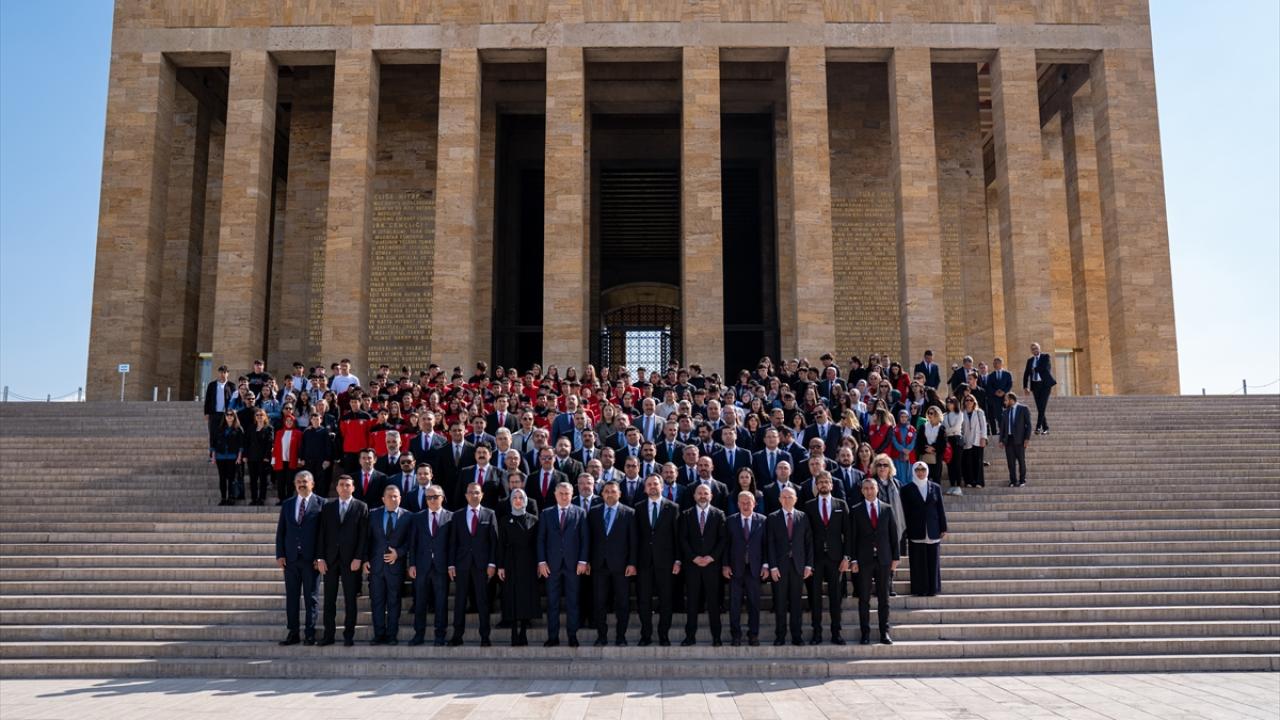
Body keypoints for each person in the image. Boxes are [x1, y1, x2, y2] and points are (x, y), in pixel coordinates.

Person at [315, 474, 368, 647]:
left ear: (353, 488)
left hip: (351, 561)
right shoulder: (328, 506)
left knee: (350, 600)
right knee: (329, 600)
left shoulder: (361, 506)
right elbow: (321, 533)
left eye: (348, 485)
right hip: (330, 560)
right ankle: (328, 635)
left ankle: (348, 635)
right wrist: (320, 557)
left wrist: (359, 558)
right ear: (337, 488)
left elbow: (363, 536)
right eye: (341, 485)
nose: (344, 488)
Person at [537, 482, 589, 647]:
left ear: (572, 494)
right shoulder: (546, 513)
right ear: (555, 494)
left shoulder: (580, 513)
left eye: (567, 493)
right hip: (551, 566)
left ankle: (572, 636)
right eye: (561, 493)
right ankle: (553, 637)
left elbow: (585, 539)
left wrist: (582, 561)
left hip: (573, 565)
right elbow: (540, 539)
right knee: (552, 603)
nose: (564, 496)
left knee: (573, 602)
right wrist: (542, 562)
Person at [447, 482, 499, 646]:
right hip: (462, 564)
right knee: (460, 600)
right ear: (466, 495)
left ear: (481, 495)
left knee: (483, 601)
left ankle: (485, 636)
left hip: (482, 564)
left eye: (477, 492)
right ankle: (457, 635)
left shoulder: (490, 514)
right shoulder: (458, 515)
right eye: (470, 492)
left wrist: (492, 563)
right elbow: (453, 542)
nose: (474, 495)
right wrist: (451, 565)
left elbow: (494, 542)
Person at [274, 470, 322, 646]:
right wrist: (280, 554)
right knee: (292, 597)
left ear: (312, 484)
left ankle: (310, 633)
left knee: (312, 598)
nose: (302, 484)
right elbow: (281, 532)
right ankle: (293, 632)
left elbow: (323, 535)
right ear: (295, 484)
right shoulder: (288, 504)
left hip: (311, 561)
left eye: (305, 481)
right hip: (291, 559)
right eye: (299, 482)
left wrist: (320, 557)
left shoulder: (321, 504)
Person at [587, 480, 637, 646]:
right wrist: (586, 561)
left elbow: (633, 541)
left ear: (619, 494)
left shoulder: (629, 513)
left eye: (613, 491)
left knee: (622, 603)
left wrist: (632, 563)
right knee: (599, 602)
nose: (609, 494)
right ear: (602, 494)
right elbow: (589, 539)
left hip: (622, 566)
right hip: (599, 565)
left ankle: (620, 636)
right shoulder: (593, 512)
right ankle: (601, 636)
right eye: (606, 491)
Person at [851, 476, 900, 645]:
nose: (869, 491)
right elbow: (852, 538)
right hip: (864, 560)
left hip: (884, 559)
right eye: (865, 488)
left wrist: (896, 558)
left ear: (877, 489)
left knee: (884, 598)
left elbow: (894, 535)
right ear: (862, 491)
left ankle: (884, 632)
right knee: (864, 598)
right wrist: (853, 560)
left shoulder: (887, 509)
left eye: (872, 488)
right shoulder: (856, 510)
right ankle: (865, 633)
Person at [804, 472, 852, 645]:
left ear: (832, 485)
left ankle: (836, 633)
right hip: (816, 559)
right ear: (816, 485)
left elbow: (848, 533)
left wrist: (847, 557)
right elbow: (806, 536)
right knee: (815, 598)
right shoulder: (808, 506)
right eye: (821, 482)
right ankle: (816, 633)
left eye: (827, 482)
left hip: (836, 558)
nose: (824, 484)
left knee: (835, 596)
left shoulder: (841, 504)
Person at [634, 475, 681, 647]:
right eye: (649, 484)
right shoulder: (638, 508)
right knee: (644, 600)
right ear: (645, 488)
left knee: (666, 600)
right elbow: (635, 538)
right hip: (644, 562)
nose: (653, 487)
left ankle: (663, 635)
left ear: (662, 486)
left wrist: (678, 560)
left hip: (666, 562)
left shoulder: (673, 507)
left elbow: (677, 537)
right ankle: (646, 635)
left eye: (656, 484)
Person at [679, 483, 726, 646]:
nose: (702, 496)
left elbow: (722, 540)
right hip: (692, 566)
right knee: (692, 602)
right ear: (694, 496)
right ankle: (690, 636)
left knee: (713, 603)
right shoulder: (686, 515)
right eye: (699, 493)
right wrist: (694, 557)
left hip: (712, 566)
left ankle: (717, 637)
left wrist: (711, 557)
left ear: (711, 496)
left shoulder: (719, 514)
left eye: (706, 493)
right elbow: (683, 539)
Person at [765, 485, 813, 647]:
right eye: (784, 497)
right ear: (779, 500)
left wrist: (808, 565)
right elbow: (769, 544)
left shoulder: (803, 517)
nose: (787, 500)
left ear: (796, 500)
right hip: (779, 567)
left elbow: (808, 543)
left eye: (790, 497)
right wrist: (772, 566)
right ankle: (780, 636)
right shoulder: (772, 518)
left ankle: (796, 636)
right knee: (779, 603)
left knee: (796, 603)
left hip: (798, 567)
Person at [365, 484, 411, 645]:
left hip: (396, 568)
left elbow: (411, 542)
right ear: (383, 499)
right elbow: (367, 539)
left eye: (395, 496)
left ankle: (392, 635)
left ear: (400, 498)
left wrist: (399, 553)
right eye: (389, 496)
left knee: (394, 602)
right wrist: (365, 559)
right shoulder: (373, 515)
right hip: (376, 567)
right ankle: (379, 635)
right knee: (377, 602)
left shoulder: (408, 516)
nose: (392, 499)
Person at [407, 485, 451, 646]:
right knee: (420, 602)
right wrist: (411, 564)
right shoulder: (417, 517)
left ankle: (440, 635)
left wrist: (451, 565)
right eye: (428, 497)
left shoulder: (450, 517)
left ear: (442, 497)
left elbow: (452, 545)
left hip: (441, 566)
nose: (432, 500)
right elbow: (413, 543)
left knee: (441, 602)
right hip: (421, 566)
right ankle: (419, 634)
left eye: (435, 496)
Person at [723, 490, 767, 647]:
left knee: (754, 604)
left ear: (754, 504)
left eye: (749, 502)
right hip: (735, 569)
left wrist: (766, 565)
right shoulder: (730, 521)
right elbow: (726, 545)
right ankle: (736, 635)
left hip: (755, 569)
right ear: (738, 504)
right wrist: (725, 565)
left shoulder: (763, 520)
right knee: (734, 604)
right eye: (743, 502)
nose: (746, 505)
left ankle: (753, 635)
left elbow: (766, 546)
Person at [497, 488, 540, 646]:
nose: (517, 500)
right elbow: (500, 544)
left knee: (525, 596)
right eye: (514, 497)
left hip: (528, 562)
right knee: (511, 595)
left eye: (521, 497)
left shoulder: (534, 519)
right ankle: (514, 630)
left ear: (526, 500)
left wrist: (538, 563)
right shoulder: (503, 520)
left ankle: (523, 630)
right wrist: (500, 566)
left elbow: (537, 544)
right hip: (510, 562)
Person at [900, 461, 948, 597]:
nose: (920, 472)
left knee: (933, 560)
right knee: (917, 562)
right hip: (916, 529)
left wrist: (943, 526)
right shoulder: (906, 489)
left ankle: (933, 588)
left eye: (923, 469)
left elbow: (940, 508)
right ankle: (919, 589)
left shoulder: (935, 487)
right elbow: (905, 511)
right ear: (913, 472)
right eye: (917, 470)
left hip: (933, 529)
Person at [299, 412, 335, 498]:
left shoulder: (325, 431)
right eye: (313, 419)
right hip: (309, 461)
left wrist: (327, 459)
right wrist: (301, 458)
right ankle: (309, 497)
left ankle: (321, 498)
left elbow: (328, 446)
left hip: (321, 461)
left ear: (321, 420)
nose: (315, 421)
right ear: (311, 420)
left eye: (317, 419)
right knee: (309, 479)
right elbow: (302, 446)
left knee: (321, 481)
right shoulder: (306, 432)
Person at [212, 409, 244, 506]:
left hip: (232, 457)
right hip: (220, 457)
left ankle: (231, 497)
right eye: (227, 415)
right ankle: (223, 498)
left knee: (231, 478)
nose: (229, 416)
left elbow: (241, 445)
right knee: (222, 478)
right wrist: (213, 456)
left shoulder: (239, 429)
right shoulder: (220, 428)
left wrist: (239, 457)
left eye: (231, 415)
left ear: (234, 417)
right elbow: (214, 443)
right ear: (225, 416)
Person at [1023, 342, 1056, 435]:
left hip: (1045, 385)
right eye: (1033, 349)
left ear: (1039, 348)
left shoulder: (1045, 357)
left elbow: (1045, 368)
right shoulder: (1030, 361)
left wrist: (1034, 369)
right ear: (1031, 351)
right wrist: (1025, 387)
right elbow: (1026, 374)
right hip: (1035, 385)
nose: (1035, 350)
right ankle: (1046, 428)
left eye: (1036, 348)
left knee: (1042, 406)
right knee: (1040, 407)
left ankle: (1038, 427)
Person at [1000, 392, 1032, 486]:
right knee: (1010, 462)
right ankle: (1013, 481)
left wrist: (1027, 438)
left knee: (1021, 461)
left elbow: (1028, 425)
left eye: (1006, 400)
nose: (1004, 402)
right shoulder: (1005, 411)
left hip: (1020, 439)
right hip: (1008, 440)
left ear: (1011, 399)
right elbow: (1003, 427)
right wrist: (1001, 440)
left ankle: (1022, 480)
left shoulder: (1023, 409)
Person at [245, 409, 275, 506]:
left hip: (263, 458)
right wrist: (245, 455)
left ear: (265, 416)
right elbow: (247, 443)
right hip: (252, 457)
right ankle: (254, 499)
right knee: (253, 479)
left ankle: (261, 498)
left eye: (261, 415)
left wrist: (267, 456)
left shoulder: (269, 428)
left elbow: (270, 443)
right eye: (257, 415)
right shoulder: (250, 428)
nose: (259, 416)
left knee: (263, 479)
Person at [204, 365, 234, 451]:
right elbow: (207, 399)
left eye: (224, 372)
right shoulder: (212, 385)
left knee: (226, 433)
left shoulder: (231, 385)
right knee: (213, 433)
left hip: (227, 414)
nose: (222, 374)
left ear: (228, 373)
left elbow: (234, 400)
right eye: (221, 372)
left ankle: (224, 451)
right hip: (214, 413)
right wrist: (206, 413)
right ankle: (212, 453)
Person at [960, 394, 987, 488]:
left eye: (970, 400)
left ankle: (979, 482)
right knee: (968, 462)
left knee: (978, 461)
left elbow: (983, 426)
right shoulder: (962, 413)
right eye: (966, 400)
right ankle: (969, 481)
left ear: (974, 402)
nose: (968, 402)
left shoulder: (979, 412)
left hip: (977, 440)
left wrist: (983, 438)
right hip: (966, 440)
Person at [916, 406, 947, 485]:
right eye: (928, 413)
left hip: (936, 456)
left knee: (936, 478)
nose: (929, 415)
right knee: (925, 477)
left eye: (931, 413)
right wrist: (925, 448)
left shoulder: (941, 428)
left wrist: (934, 448)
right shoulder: (923, 426)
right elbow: (919, 440)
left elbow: (943, 443)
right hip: (925, 455)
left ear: (937, 415)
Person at [890, 409, 917, 482]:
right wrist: (902, 449)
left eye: (906, 417)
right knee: (899, 474)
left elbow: (914, 440)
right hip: (898, 455)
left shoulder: (912, 429)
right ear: (899, 417)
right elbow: (894, 441)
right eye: (902, 417)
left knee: (909, 473)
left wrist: (908, 450)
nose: (904, 418)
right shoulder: (894, 429)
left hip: (909, 455)